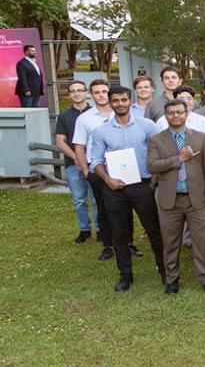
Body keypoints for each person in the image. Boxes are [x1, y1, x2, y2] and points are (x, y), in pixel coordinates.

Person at [88, 86, 165, 292]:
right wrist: (107, 179)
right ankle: (125, 275)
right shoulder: (101, 131)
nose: (120, 104)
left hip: (142, 185)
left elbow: (160, 153)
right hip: (114, 188)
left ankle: (165, 270)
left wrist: (154, 180)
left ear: (130, 102)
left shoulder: (147, 126)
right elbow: (95, 161)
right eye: (116, 100)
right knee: (119, 234)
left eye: (123, 100)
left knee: (154, 230)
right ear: (110, 102)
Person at [147, 99, 205, 295]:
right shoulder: (156, 139)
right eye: (171, 113)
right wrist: (178, 159)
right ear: (166, 115)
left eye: (179, 112)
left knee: (203, 241)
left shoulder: (200, 138)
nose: (175, 116)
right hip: (169, 199)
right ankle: (171, 279)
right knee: (170, 242)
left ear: (186, 114)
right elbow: (152, 166)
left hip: (197, 199)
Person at [71, 80, 116, 260]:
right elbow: (79, 146)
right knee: (103, 208)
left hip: (121, 167)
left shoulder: (120, 113)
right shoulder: (85, 118)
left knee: (125, 207)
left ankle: (128, 242)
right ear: (91, 94)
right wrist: (85, 170)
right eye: (97, 92)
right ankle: (108, 245)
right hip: (97, 169)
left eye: (104, 91)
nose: (101, 95)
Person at [55, 81, 97, 243]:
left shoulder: (95, 113)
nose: (76, 93)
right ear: (69, 94)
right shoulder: (64, 116)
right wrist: (76, 157)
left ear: (86, 92)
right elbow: (60, 141)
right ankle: (84, 230)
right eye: (73, 91)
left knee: (96, 198)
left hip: (94, 163)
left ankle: (101, 229)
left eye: (80, 90)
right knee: (79, 199)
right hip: (73, 165)